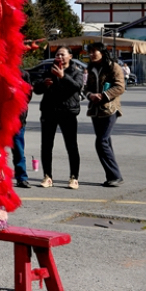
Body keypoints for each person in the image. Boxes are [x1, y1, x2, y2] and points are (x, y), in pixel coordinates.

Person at [33, 47, 85, 190]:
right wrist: (44, 84)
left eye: (63, 54)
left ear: (70, 56)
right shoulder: (48, 71)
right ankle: (47, 176)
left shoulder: (76, 72)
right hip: (49, 112)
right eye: (57, 54)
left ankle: (74, 177)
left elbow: (77, 87)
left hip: (68, 112)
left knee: (71, 146)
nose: (60, 57)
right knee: (46, 146)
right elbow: (36, 89)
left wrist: (63, 76)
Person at [85, 42, 126, 187]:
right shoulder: (91, 68)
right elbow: (86, 88)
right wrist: (90, 95)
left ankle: (115, 176)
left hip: (110, 109)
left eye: (94, 52)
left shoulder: (113, 66)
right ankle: (113, 176)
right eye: (89, 52)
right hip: (96, 110)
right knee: (106, 142)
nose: (91, 55)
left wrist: (103, 96)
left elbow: (120, 86)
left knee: (101, 142)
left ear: (102, 52)